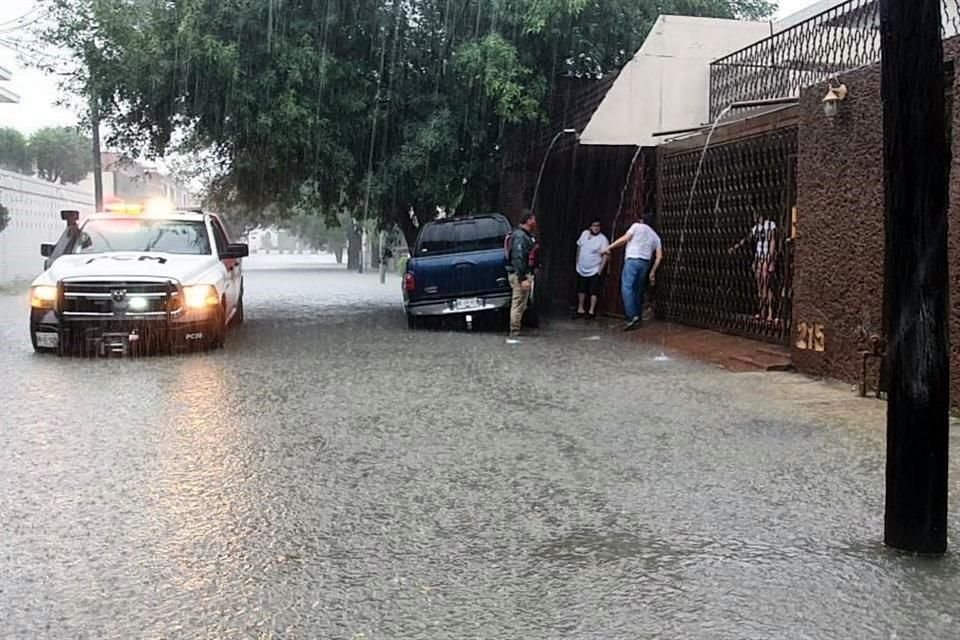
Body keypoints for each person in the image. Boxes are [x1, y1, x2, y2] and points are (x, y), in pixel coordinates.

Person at [602, 214, 663, 331]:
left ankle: (632, 316)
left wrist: (610, 247)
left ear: (641, 220)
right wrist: (653, 271)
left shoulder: (636, 226)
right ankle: (638, 316)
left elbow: (625, 238)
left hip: (632, 259)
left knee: (627, 287)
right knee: (637, 289)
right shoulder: (656, 237)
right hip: (645, 263)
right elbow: (659, 256)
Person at [729, 213, 778, 321]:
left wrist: (770, 261)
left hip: (766, 258)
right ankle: (762, 311)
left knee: (767, 285)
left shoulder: (770, 225)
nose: (754, 216)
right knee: (760, 286)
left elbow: (773, 243)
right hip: (758, 258)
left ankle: (770, 313)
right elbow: (747, 239)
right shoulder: (756, 228)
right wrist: (735, 247)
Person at [506, 211, 538, 338]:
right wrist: (522, 278)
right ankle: (514, 332)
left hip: (524, 273)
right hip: (520, 275)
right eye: (533, 219)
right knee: (518, 303)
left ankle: (516, 329)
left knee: (522, 303)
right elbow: (518, 258)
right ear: (528, 220)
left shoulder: (524, 235)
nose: (535, 221)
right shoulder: (520, 236)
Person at [574, 219, 609, 319]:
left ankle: (591, 311)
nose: (596, 227)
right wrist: (577, 262)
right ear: (590, 227)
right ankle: (580, 309)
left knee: (593, 290)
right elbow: (579, 247)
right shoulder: (584, 234)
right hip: (582, 267)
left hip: (594, 269)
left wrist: (600, 269)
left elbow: (605, 254)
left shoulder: (603, 239)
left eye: (598, 226)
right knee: (581, 289)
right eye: (594, 225)